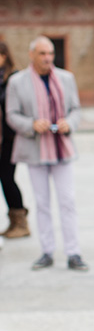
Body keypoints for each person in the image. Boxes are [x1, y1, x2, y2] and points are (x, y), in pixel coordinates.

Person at [6, 36, 89, 271]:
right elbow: (11, 114)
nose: (47, 58)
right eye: (42, 53)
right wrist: (31, 124)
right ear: (31, 55)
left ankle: (73, 252)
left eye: (50, 53)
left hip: (62, 149)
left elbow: (75, 110)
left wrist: (68, 123)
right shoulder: (17, 82)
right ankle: (47, 251)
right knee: (42, 203)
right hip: (35, 149)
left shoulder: (66, 78)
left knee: (67, 201)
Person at [0, 41, 31, 239]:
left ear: (4, 56)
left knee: (6, 177)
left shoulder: (14, 78)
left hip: (9, 138)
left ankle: (21, 221)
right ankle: (14, 221)